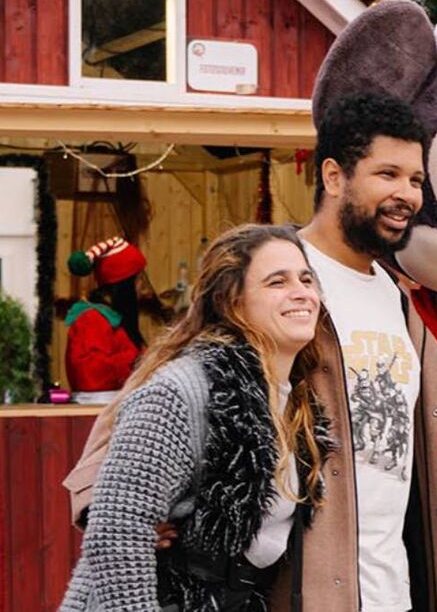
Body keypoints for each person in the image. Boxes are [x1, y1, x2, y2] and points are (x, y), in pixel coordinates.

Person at [60, 224, 335, 611]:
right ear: (232, 302)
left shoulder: (297, 400)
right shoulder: (184, 390)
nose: (302, 292)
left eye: (306, 279)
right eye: (277, 281)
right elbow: (117, 530)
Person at [297, 91, 437, 611]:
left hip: (391, 589)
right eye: (388, 174)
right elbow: (168, 384)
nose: (406, 195)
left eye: (416, 180)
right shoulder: (278, 274)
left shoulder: (399, 296)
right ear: (334, 177)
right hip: (307, 588)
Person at [64, 236, 147, 394]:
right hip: (98, 407)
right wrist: (138, 359)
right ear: (124, 286)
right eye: (138, 280)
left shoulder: (113, 318)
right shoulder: (91, 319)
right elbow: (90, 376)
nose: (142, 287)